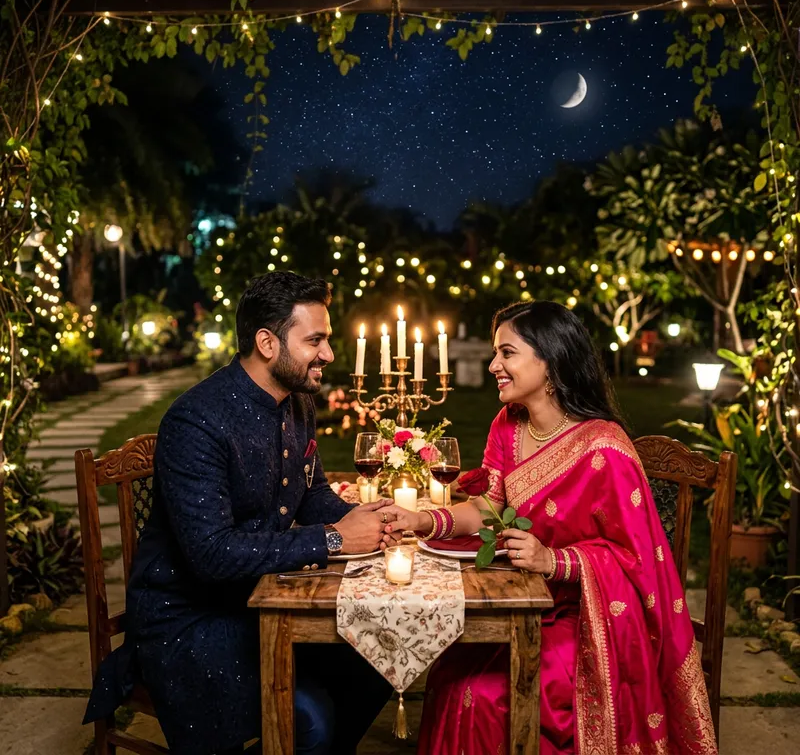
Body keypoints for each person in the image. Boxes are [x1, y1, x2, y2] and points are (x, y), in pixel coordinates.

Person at [84, 271, 398, 754]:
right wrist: (335, 539)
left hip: (259, 599)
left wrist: (376, 522)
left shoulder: (297, 405)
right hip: (188, 622)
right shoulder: (197, 422)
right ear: (267, 343)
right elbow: (211, 555)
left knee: (384, 659)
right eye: (315, 340)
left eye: (327, 340)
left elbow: (313, 497)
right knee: (312, 716)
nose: (328, 355)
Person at [387, 300, 718, 754]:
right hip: (526, 602)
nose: (493, 365)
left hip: (589, 616)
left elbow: (634, 563)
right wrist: (421, 520)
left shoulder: (604, 450)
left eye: (507, 353)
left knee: (484, 694)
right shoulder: (509, 424)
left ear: (550, 360)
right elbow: (488, 506)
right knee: (453, 671)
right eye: (495, 353)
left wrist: (553, 560)